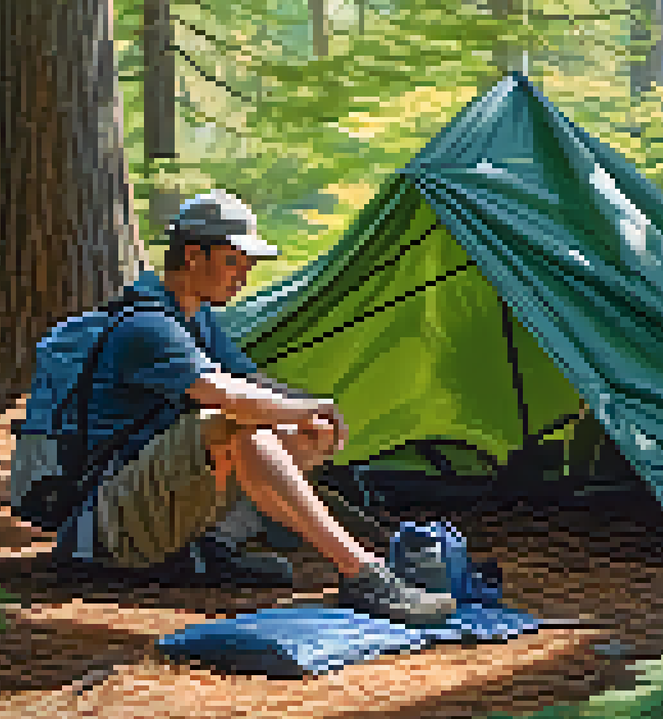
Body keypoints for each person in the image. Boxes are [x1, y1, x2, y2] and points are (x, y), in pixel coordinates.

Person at [49, 189, 456, 626]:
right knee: (238, 427)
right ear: (191, 255)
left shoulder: (197, 317)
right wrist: (303, 409)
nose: (243, 274)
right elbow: (228, 397)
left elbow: (250, 381)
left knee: (289, 431)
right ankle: (364, 573)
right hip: (109, 530)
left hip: (153, 508)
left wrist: (307, 414)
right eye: (232, 260)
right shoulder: (147, 325)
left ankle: (209, 549)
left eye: (247, 263)